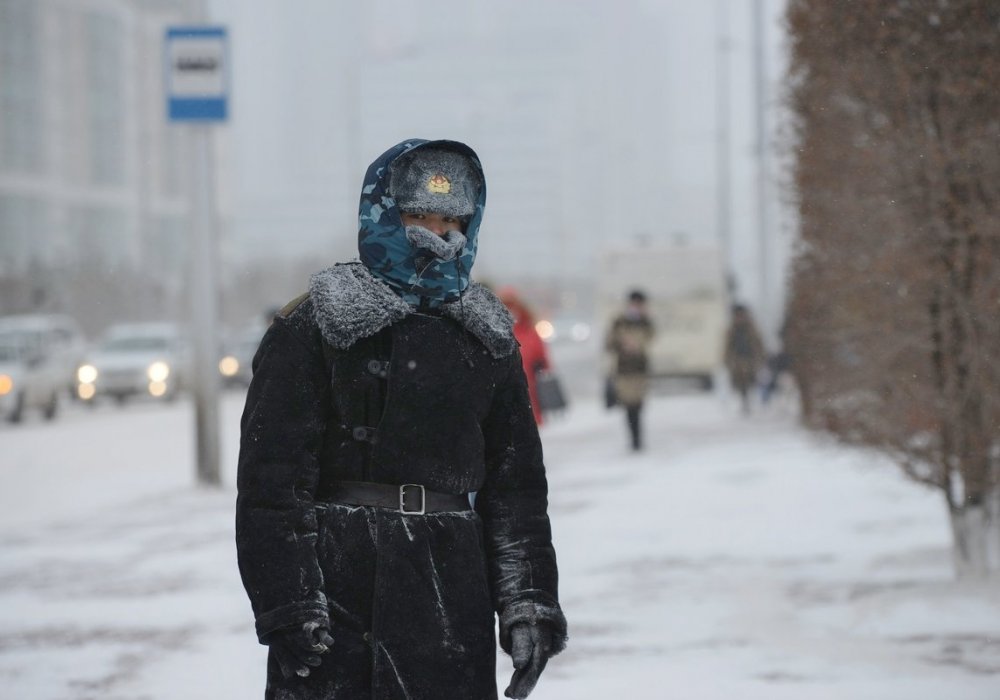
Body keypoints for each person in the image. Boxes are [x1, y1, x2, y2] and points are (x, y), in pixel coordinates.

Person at [235, 139, 567, 700]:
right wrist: (289, 603)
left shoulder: (486, 337)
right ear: (384, 213)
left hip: (449, 593)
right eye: (418, 216)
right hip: (338, 593)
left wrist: (527, 602)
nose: (436, 235)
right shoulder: (316, 326)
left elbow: (516, 492)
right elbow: (271, 485)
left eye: (450, 220)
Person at [605, 289, 655, 451]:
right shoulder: (620, 322)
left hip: (640, 369)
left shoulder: (645, 322)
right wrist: (622, 344)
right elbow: (608, 344)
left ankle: (638, 438)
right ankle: (634, 440)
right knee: (629, 405)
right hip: (624, 370)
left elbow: (651, 337)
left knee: (638, 404)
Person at [497, 287, 552, 425]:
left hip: (527, 392)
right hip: (505, 394)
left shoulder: (528, 331)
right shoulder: (496, 332)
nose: (510, 311)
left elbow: (542, 360)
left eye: (512, 306)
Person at [724, 303, 766, 414]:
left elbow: (758, 343)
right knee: (741, 381)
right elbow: (728, 346)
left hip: (749, 358)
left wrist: (761, 357)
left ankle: (748, 400)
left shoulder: (751, 328)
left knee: (749, 380)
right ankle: (745, 401)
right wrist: (727, 359)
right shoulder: (733, 329)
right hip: (738, 358)